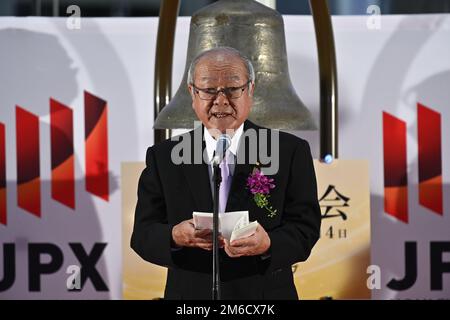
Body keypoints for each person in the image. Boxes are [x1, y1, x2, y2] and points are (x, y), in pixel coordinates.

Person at [131, 47, 321, 300]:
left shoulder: (288, 151)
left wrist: (269, 244)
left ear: (250, 89)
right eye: (209, 90)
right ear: (192, 93)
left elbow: (305, 227)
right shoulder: (165, 157)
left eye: (232, 89)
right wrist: (175, 236)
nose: (221, 101)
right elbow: (143, 235)